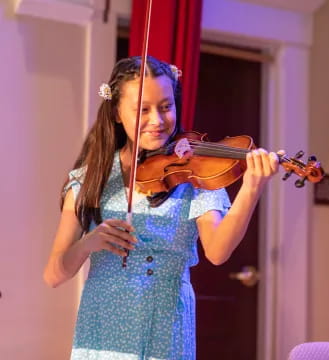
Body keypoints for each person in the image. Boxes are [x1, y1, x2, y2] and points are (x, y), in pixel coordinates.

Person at [43, 55, 280, 360]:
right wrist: (89, 242)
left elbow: (218, 251)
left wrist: (252, 186)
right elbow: (54, 274)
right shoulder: (91, 179)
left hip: (167, 326)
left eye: (166, 107)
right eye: (142, 109)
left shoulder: (194, 172)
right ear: (116, 113)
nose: (157, 120)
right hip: (103, 327)